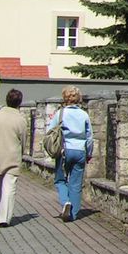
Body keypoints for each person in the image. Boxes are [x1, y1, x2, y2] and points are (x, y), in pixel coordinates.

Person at [46, 85, 93, 222]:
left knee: (60, 180)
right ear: (78, 98)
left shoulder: (60, 113)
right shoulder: (84, 115)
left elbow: (50, 132)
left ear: (64, 98)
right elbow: (89, 137)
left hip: (64, 150)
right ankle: (73, 214)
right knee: (76, 183)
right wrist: (89, 153)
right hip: (80, 151)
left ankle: (65, 201)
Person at [0, 89, 28, 227]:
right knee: (9, 187)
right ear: (19, 103)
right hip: (13, 157)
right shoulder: (21, 119)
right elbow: (24, 140)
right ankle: (4, 218)